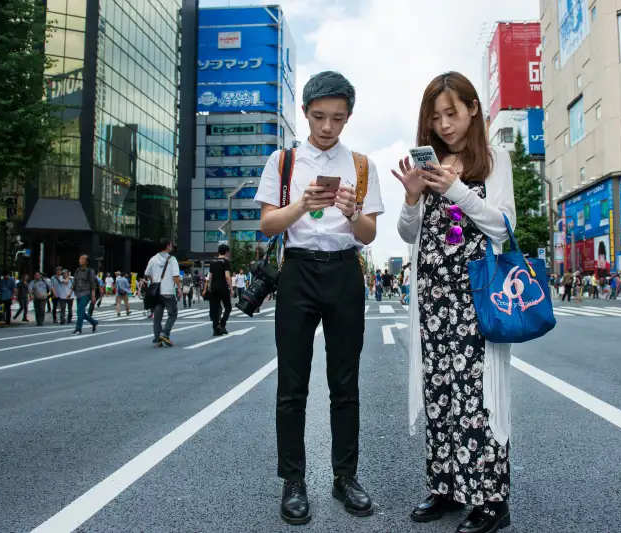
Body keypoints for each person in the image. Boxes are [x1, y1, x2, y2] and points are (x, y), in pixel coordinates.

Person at [255, 71, 384, 525]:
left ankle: (344, 477)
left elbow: (369, 234)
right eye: (319, 116)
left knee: (344, 385)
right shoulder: (284, 161)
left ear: (348, 117)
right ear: (305, 113)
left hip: (345, 271)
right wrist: (303, 205)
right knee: (292, 385)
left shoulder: (362, 164)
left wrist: (350, 212)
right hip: (298, 272)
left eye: (338, 118)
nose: (328, 127)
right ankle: (294, 481)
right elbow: (270, 224)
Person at [395, 72, 514, 533]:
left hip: (477, 296)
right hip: (432, 297)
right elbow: (410, 235)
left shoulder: (494, 159)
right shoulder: (429, 164)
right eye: (436, 116)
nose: (445, 125)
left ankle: (491, 500)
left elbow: (503, 225)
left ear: (473, 110)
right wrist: (412, 197)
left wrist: (456, 191)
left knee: (477, 396)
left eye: (453, 113)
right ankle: (445, 486)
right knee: (440, 392)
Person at [144, 238, 181, 346]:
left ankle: (157, 340)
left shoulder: (153, 259)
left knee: (157, 317)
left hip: (156, 292)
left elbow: (147, 273)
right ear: (168, 246)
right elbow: (176, 276)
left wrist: (154, 279)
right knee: (173, 314)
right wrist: (179, 288)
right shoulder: (172, 259)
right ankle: (165, 333)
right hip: (168, 291)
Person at [204, 243, 234, 336]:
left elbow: (209, 277)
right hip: (223, 288)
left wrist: (206, 288)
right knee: (228, 307)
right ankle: (222, 324)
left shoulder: (212, 261)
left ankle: (215, 329)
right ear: (227, 252)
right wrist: (231, 288)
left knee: (214, 308)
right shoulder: (226, 262)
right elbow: (227, 277)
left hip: (213, 288)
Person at [71, 254, 99, 335]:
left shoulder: (90, 271)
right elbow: (74, 283)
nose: (80, 260)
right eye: (80, 258)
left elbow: (93, 285)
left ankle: (78, 328)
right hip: (78, 293)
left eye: (83, 259)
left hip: (86, 293)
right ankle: (94, 322)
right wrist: (70, 292)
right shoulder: (77, 270)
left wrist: (93, 296)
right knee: (80, 312)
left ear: (86, 262)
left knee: (80, 311)